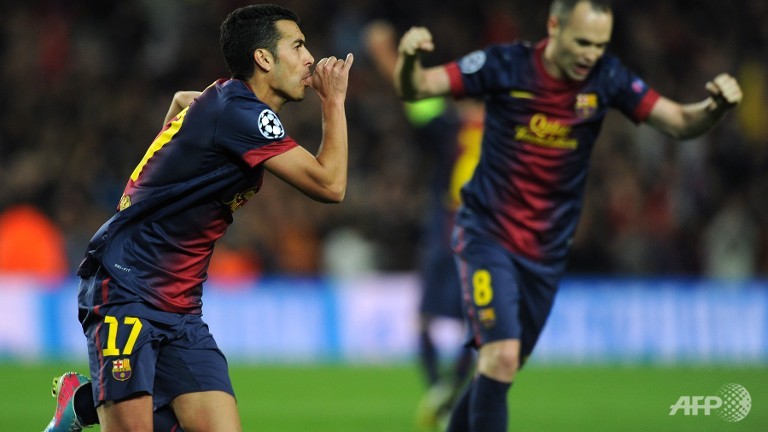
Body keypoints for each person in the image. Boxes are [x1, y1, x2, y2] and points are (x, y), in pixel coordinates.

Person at [393, 1, 742, 431]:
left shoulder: (607, 78)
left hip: (546, 252)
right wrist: (408, 59)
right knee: (500, 356)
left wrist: (714, 108)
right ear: (554, 25)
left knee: (499, 369)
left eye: (600, 45)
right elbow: (418, 87)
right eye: (582, 42)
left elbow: (680, 121)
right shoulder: (505, 65)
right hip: (488, 234)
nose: (591, 54)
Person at [43, 4, 353, 431]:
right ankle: (85, 405)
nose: (310, 58)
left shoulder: (224, 102)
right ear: (264, 58)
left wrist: (178, 132)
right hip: (126, 289)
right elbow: (330, 185)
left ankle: (82, 404)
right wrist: (333, 101)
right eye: (297, 46)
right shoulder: (241, 112)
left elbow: (179, 106)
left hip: (182, 304)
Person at [364, 21, 479, 429]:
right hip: (487, 233)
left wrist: (382, 51)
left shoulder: (449, 122)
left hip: (449, 227)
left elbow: (409, 90)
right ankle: (449, 391)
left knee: (427, 319)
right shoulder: (507, 129)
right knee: (477, 324)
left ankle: (438, 391)